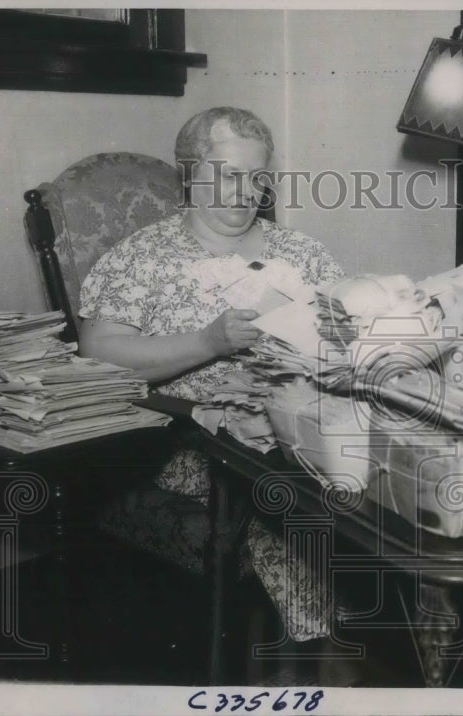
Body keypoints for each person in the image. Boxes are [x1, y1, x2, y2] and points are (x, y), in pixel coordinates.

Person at [78, 107, 347, 649]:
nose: (246, 191)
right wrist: (209, 342)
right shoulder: (142, 258)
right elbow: (98, 358)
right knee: (291, 491)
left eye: (258, 177)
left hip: (306, 426)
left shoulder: (300, 252)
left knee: (382, 472)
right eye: (229, 174)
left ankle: (399, 638)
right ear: (190, 175)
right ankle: (334, 653)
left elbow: (348, 336)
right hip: (192, 443)